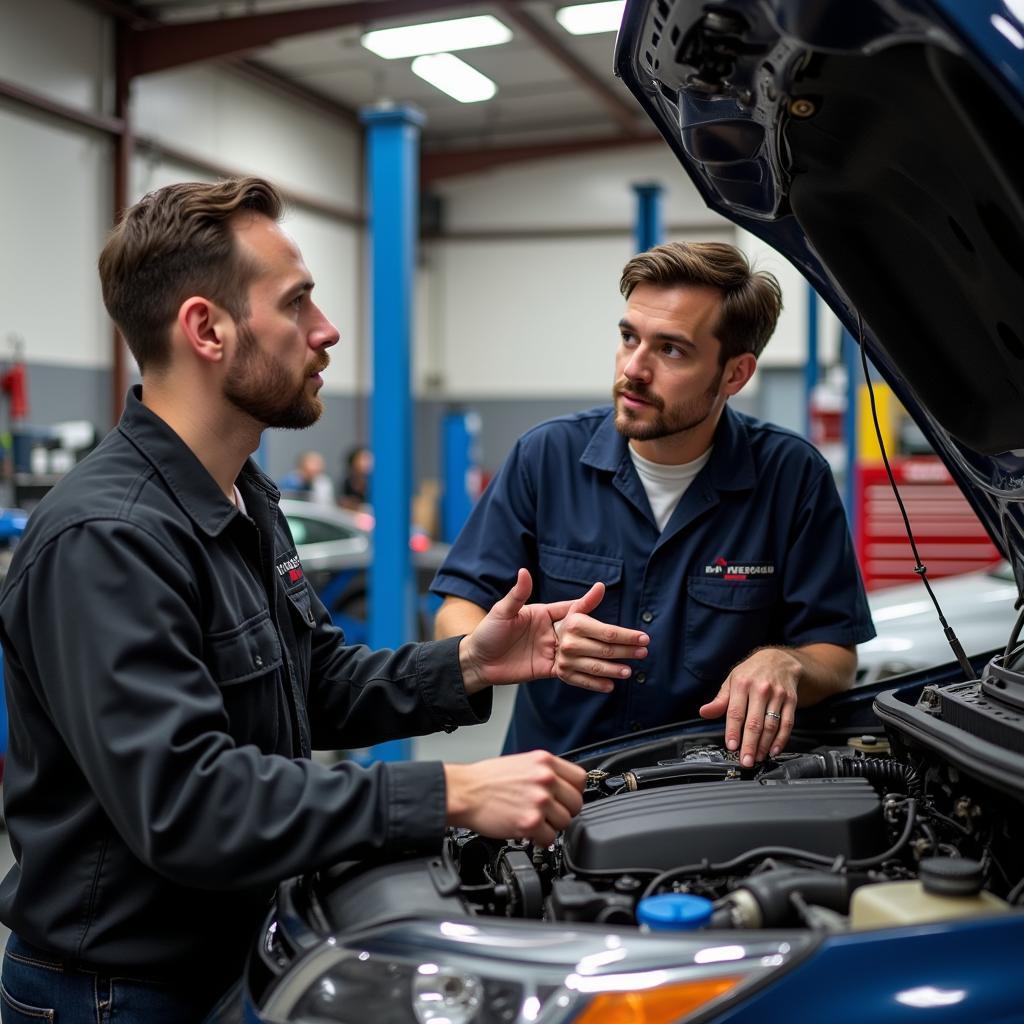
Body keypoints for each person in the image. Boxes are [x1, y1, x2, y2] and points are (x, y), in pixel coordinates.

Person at [0, 177, 620, 1023]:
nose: (325, 333)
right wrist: (450, 793)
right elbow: (188, 801)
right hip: (119, 996)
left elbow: (311, 681)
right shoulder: (108, 538)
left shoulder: (241, 495)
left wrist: (469, 663)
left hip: (237, 952)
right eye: (297, 305)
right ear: (206, 329)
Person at [432, 241, 876, 763]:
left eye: (671, 350)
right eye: (628, 338)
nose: (633, 369)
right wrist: (516, 645)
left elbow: (835, 655)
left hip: (714, 798)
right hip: (552, 793)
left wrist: (786, 664)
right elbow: (456, 610)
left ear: (735, 374)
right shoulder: (545, 457)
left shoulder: (792, 478)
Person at [339, 442, 372, 509]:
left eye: (368, 459)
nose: (367, 463)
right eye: (363, 459)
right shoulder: (347, 483)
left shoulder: (374, 483)